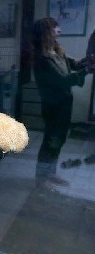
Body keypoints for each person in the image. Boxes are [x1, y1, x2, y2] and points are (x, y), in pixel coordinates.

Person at [32, 17, 92, 189]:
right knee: (51, 141)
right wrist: (86, 71)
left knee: (60, 139)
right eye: (55, 28)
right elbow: (63, 81)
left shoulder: (57, 52)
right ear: (46, 33)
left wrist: (86, 62)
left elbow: (73, 64)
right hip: (53, 106)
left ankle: (51, 173)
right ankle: (41, 179)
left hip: (64, 104)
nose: (59, 31)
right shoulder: (42, 59)